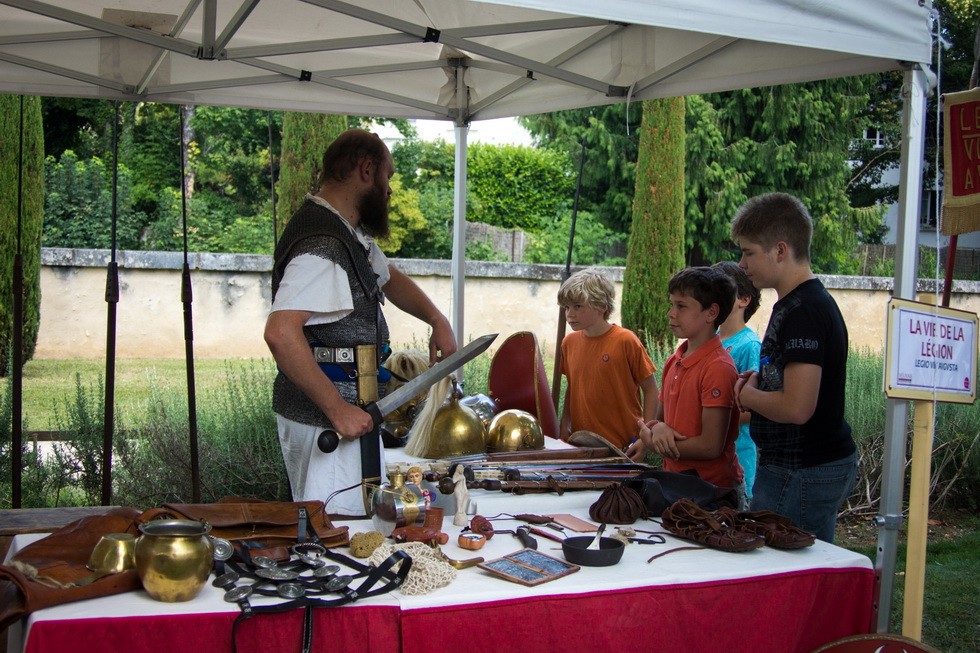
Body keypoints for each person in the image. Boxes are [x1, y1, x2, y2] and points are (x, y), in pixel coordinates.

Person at [264, 129, 456, 516]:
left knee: (354, 524)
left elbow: (388, 276)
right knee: (338, 529)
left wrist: (436, 319)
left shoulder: (345, 234)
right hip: (326, 425)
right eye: (388, 176)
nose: (390, 190)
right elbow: (281, 333)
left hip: (342, 418)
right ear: (367, 170)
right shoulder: (323, 243)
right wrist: (337, 409)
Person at [731, 192, 856, 544]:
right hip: (800, 467)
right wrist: (760, 380)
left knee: (781, 569)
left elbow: (797, 407)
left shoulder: (804, 311)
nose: (742, 263)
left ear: (780, 250)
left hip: (800, 469)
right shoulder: (798, 304)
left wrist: (747, 395)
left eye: (749, 252)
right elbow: (787, 379)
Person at [628, 267, 743, 492]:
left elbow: (710, 446)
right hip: (675, 482)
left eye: (681, 306)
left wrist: (654, 442)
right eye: (671, 304)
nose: (671, 313)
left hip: (711, 490)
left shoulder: (718, 367)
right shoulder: (674, 360)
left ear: (711, 313)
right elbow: (658, 420)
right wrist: (657, 428)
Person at [557, 268, 658, 451]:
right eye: (566, 307)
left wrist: (646, 437)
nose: (569, 314)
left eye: (578, 306)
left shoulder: (625, 340)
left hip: (624, 446)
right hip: (582, 444)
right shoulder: (569, 343)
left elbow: (651, 389)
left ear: (602, 306)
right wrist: (565, 422)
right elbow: (573, 385)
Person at [712, 260, 762, 509]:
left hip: (738, 461)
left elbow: (753, 409)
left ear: (744, 299)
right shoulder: (708, 339)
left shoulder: (750, 345)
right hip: (710, 461)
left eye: (722, 289)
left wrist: (710, 421)